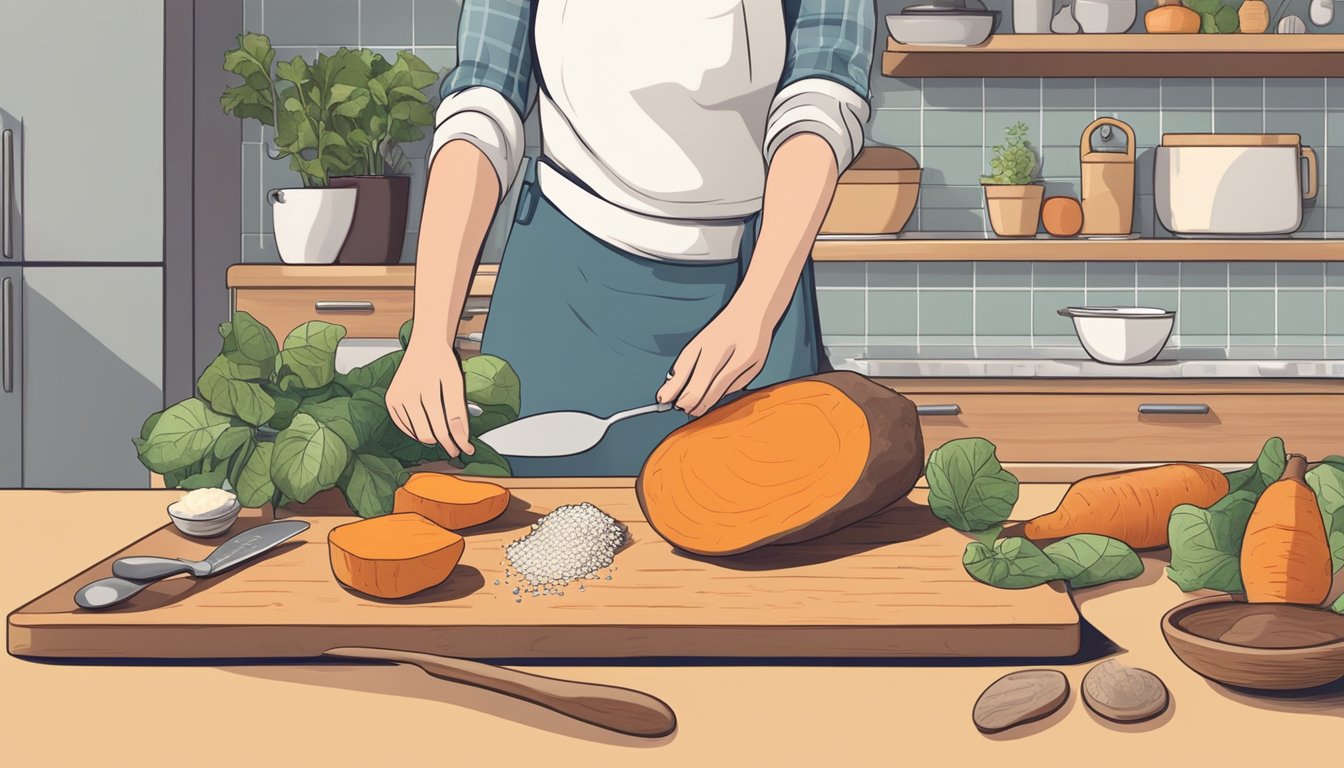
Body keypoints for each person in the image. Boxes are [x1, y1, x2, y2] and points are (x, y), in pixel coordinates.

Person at [386, 0, 875, 476]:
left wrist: (759, 308)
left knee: (765, 515)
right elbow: (482, 107)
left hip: (755, 279)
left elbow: (819, 96)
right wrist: (430, 335)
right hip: (564, 292)